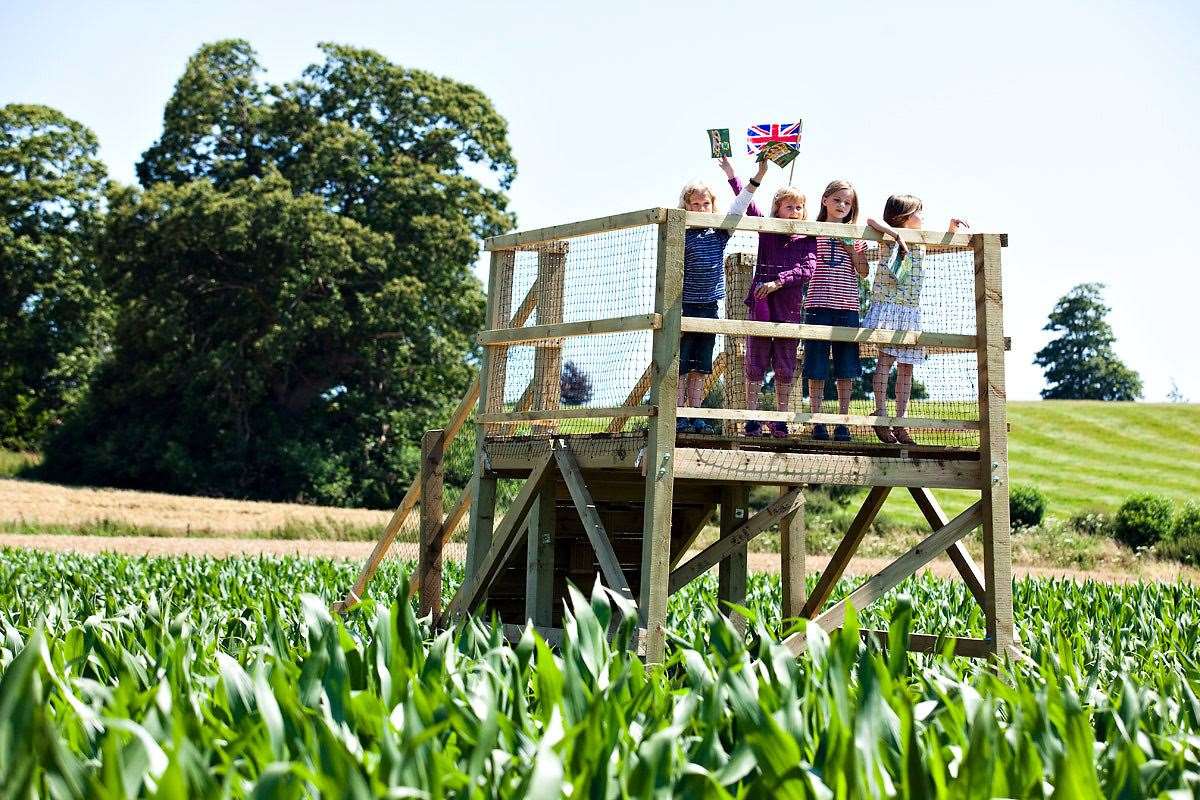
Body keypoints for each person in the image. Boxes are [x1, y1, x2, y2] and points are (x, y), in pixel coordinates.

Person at [718, 155, 816, 437]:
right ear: (777, 209)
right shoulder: (767, 230)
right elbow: (746, 202)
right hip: (762, 306)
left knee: (785, 365)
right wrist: (733, 174)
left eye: (799, 207)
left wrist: (778, 282)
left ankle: (781, 418)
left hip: (789, 310)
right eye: (789, 207)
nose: (794, 212)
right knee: (755, 362)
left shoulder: (808, 238)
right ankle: (751, 417)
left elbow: (807, 269)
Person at [864, 195, 968, 444]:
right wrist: (897, 235)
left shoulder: (921, 241)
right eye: (919, 212)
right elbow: (870, 220)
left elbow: (942, 246)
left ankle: (901, 421)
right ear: (904, 217)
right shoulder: (890, 238)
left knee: (907, 368)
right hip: (890, 309)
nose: (923, 216)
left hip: (910, 312)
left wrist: (950, 230)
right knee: (885, 361)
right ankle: (880, 413)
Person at [803, 180, 882, 442]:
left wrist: (850, 246)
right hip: (817, 304)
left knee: (846, 367)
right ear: (825, 200)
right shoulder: (812, 231)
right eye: (837, 200)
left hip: (847, 308)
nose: (842, 206)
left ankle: (842, 422)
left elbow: (863, 271)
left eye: (847, 203)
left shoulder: (856, 234)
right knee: (816, 365)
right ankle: (817, 421)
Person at [675, 178, 745, 434]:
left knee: (701, 366)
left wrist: (749, 181)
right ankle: (679, 415)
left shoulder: (718, 234)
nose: (702, 209)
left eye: (706, 204)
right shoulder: (680, 234)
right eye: (696, 204)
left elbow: (738, 209)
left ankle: (696, 414)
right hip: (685, 307)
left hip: (709, 308)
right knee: (682, 364)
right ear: (686, 206)